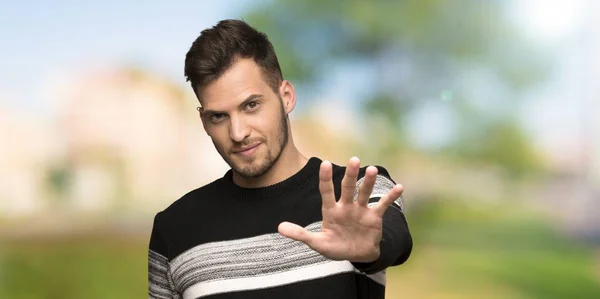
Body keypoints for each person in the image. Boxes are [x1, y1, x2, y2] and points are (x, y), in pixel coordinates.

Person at [148, 19, 413, 299]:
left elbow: (394, 238)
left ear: (286, 96)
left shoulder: (357, 192)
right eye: (218, 116)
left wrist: (372, 247)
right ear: (204, 121)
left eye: (251, 105)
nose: (238, 133)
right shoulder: (173, 228)